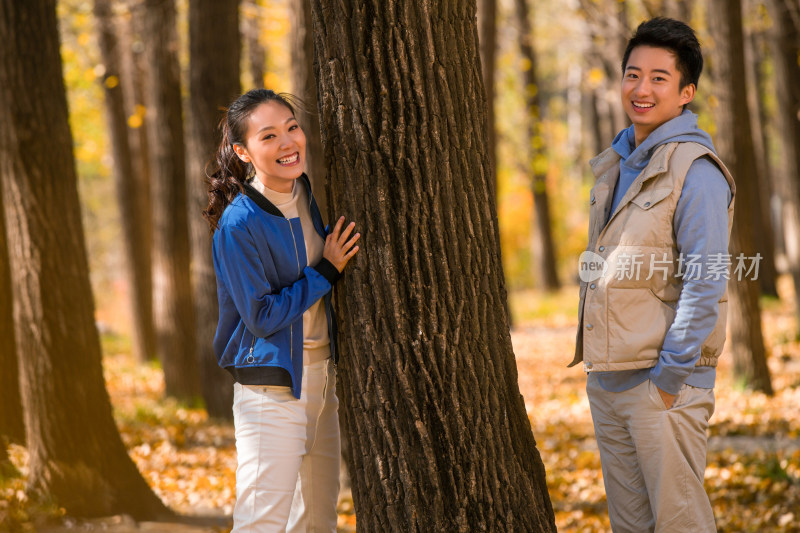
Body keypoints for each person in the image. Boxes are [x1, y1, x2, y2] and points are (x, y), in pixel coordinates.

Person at [570, 17, 735, 533]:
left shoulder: (696, 170)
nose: (641, 89)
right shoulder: (621, 164)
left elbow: (706, 280)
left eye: (659, 78)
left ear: (686, 92)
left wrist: (668, 379)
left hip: (664, 386)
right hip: (610, 379)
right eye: (633, 74)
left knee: (681, 525)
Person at [204, 88, 360, 532]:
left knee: (317, 520)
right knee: (261, 523)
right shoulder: (240, 223)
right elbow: (262, 315)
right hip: (271, 391)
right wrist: (326, 272)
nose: (288, 143)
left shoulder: (303, 192)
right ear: (243, 151)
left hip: (320, 381)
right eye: (268, 136)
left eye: (292, 128)